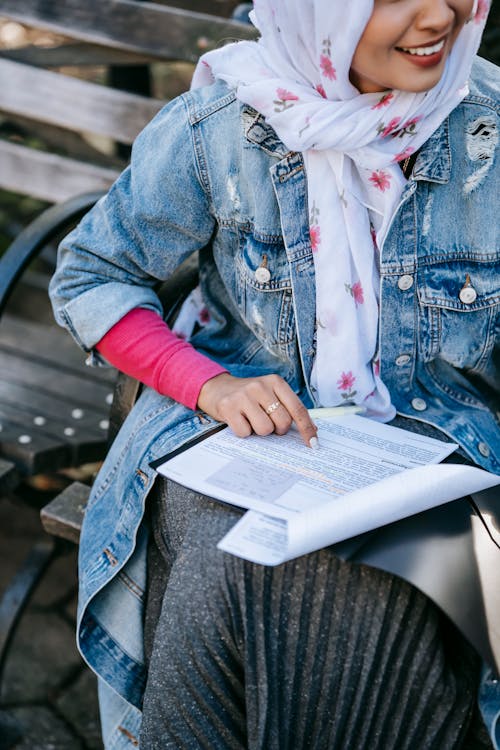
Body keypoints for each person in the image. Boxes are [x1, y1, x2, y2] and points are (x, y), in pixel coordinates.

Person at [49, 0, 499, 747]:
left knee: (395, 571)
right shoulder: (223, 123)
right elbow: (94, 277)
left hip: (434, 451)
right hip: (235, 438)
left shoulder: (486, 128)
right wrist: (209, 386)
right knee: (233, 560)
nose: (438, 17)